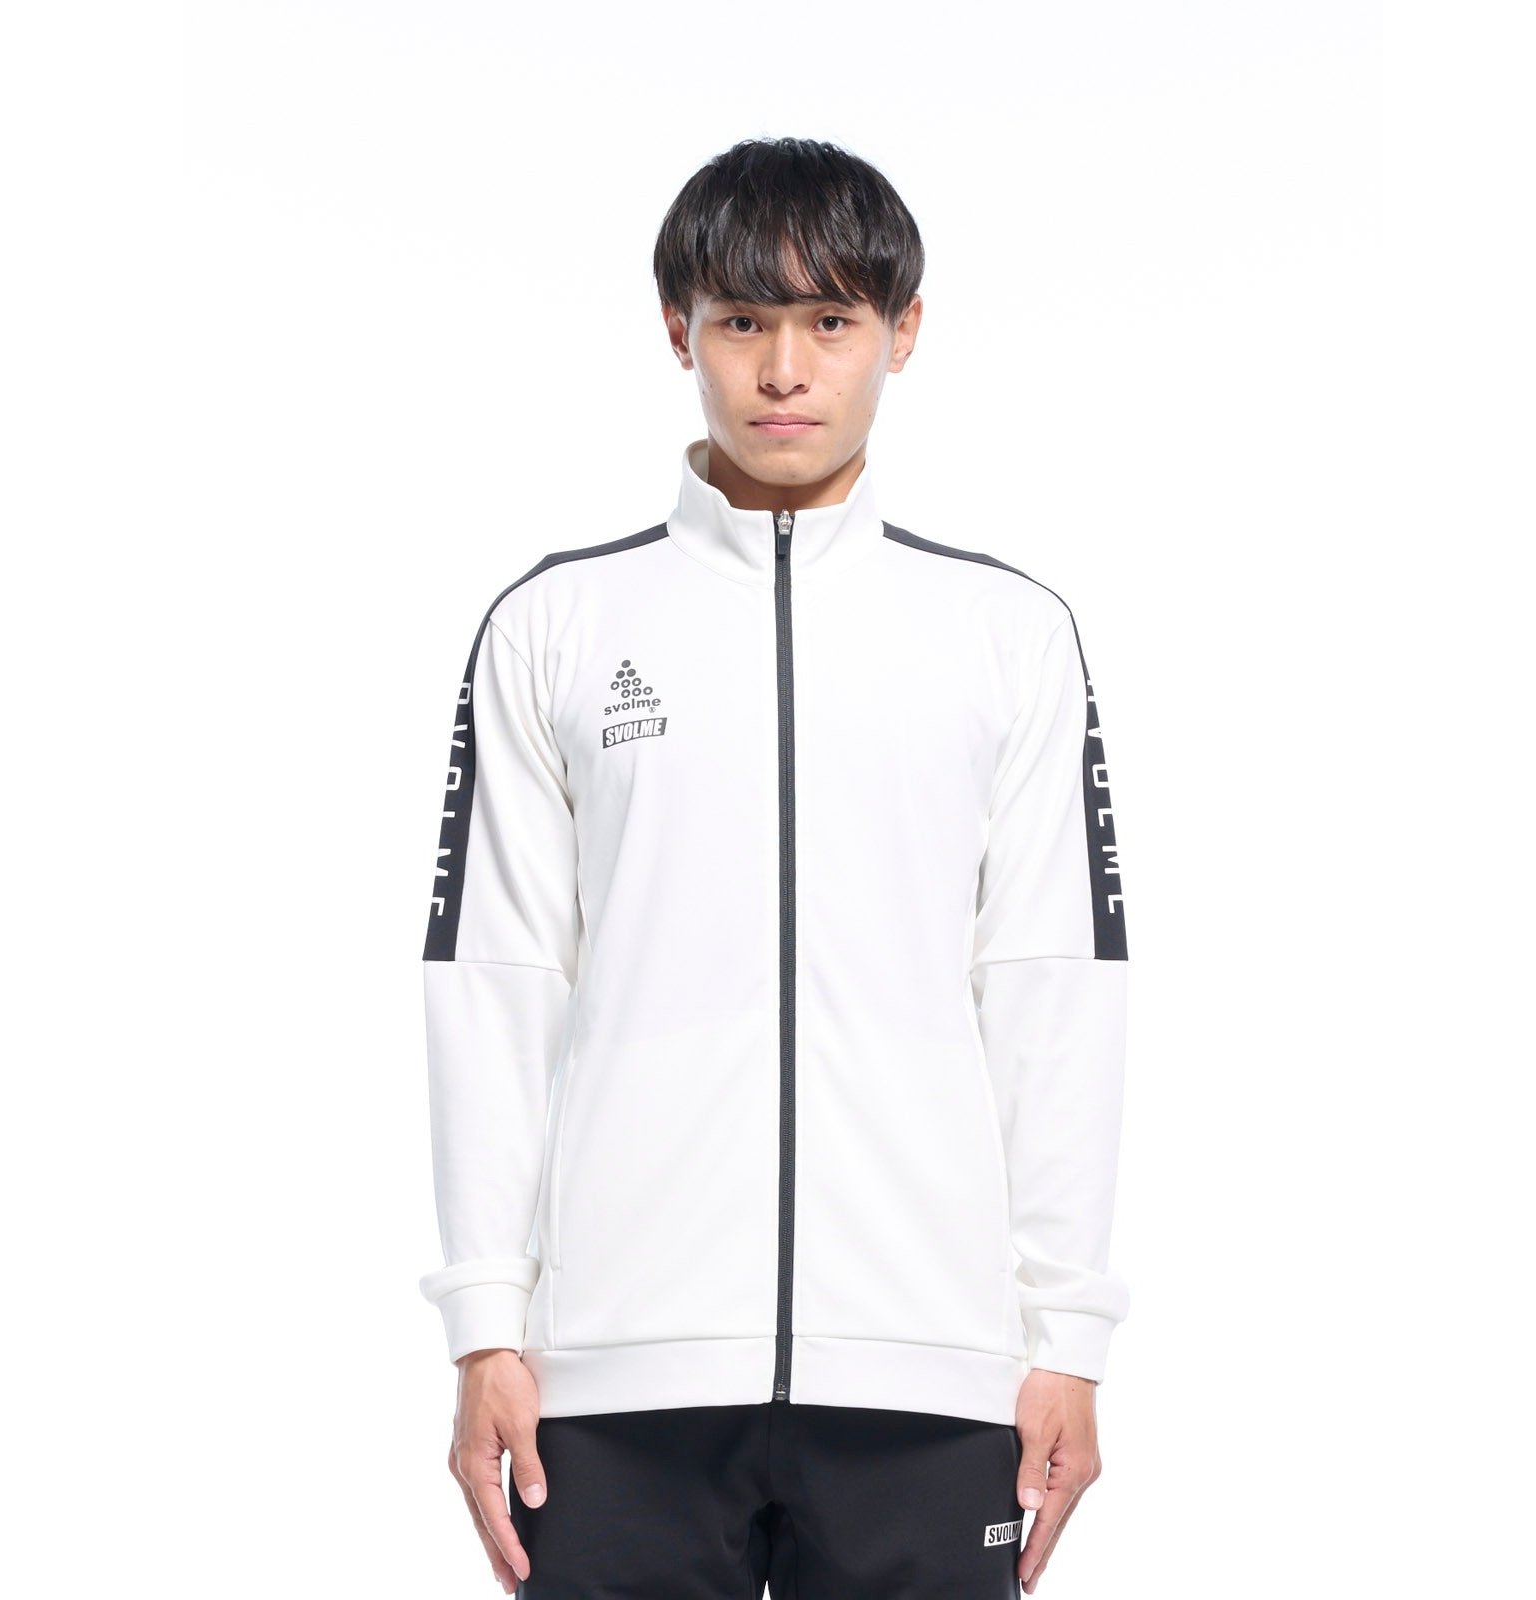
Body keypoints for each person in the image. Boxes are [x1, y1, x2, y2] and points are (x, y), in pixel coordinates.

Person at [418, 135, 1132, 1598]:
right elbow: (493, 980)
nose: (786, 369)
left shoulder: (1009, 636)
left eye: (832, 321)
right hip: (614, 1375)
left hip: (928, 1369)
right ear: (677, 329)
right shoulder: (556, 627)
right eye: (743, 320)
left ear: (903, 332)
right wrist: (487, 1324)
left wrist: (1069, 1338)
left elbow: (1055, 988)